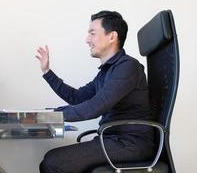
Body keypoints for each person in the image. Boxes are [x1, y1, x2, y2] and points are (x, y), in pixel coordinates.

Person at [35, 10, 155, 173]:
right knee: (50, 160)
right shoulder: (106, 73)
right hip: (113, 140)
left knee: (53, 162)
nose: (87, 40)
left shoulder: (128, 67)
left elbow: (96, 107)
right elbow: (77, 98)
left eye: (92, 33)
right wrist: (47, 72)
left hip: (131, 143)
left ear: (112, 36)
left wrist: (50, 116)